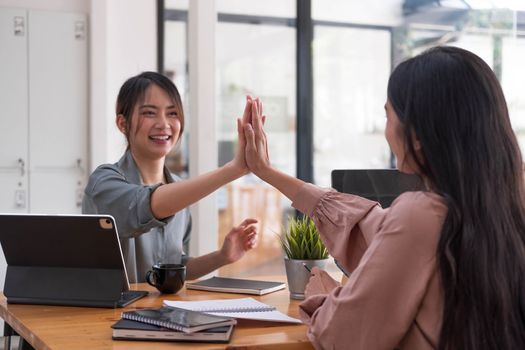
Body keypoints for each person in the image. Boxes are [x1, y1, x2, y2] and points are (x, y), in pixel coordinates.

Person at [242, 47, 525, 349]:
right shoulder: (503, 208)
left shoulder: (421, 215)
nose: (386, 131)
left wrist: (323, 296)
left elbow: (346, 335)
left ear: (416, 134)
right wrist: (266, 171)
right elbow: (367, 220)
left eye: (388, 116)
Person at [83, 71, 258, 283]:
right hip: (110, 315)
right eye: (149, 113)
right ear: (123, 123)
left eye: (173, 113)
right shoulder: (104, 183)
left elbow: (175, 267)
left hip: (162, 312)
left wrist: (222, 257)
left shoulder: (178, 190)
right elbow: (149, 203)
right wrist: (232, 170)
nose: (164, 124)